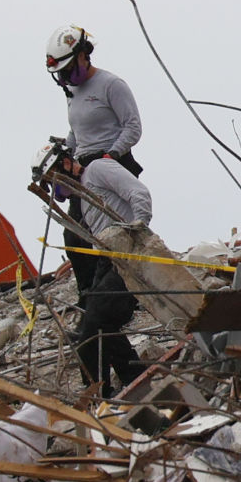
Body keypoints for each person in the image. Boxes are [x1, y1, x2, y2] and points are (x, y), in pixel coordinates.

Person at [31, 141, 149, 397]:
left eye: (54, 177)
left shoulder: (98, 169)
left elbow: (138, 192)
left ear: (65, 162)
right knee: (89, 330)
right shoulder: (83, 198)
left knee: (96, 322)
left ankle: (109, 390)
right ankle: (119, 385)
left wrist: (139, 227)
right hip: (109, 258)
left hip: (129, 251)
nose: (55, 187)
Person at [44, 24, 143, 310]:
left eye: (67, 69)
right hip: (84, 169)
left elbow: (133, 127)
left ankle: (115, 301)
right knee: (74, 234)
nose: (65, 77)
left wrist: (112, 155)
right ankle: (89, 299)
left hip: (111, 166)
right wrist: (64, 154)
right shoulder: (72, 93)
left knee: (109, 237)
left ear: (83, 55)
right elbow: (76, 132)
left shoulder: (111, 85)